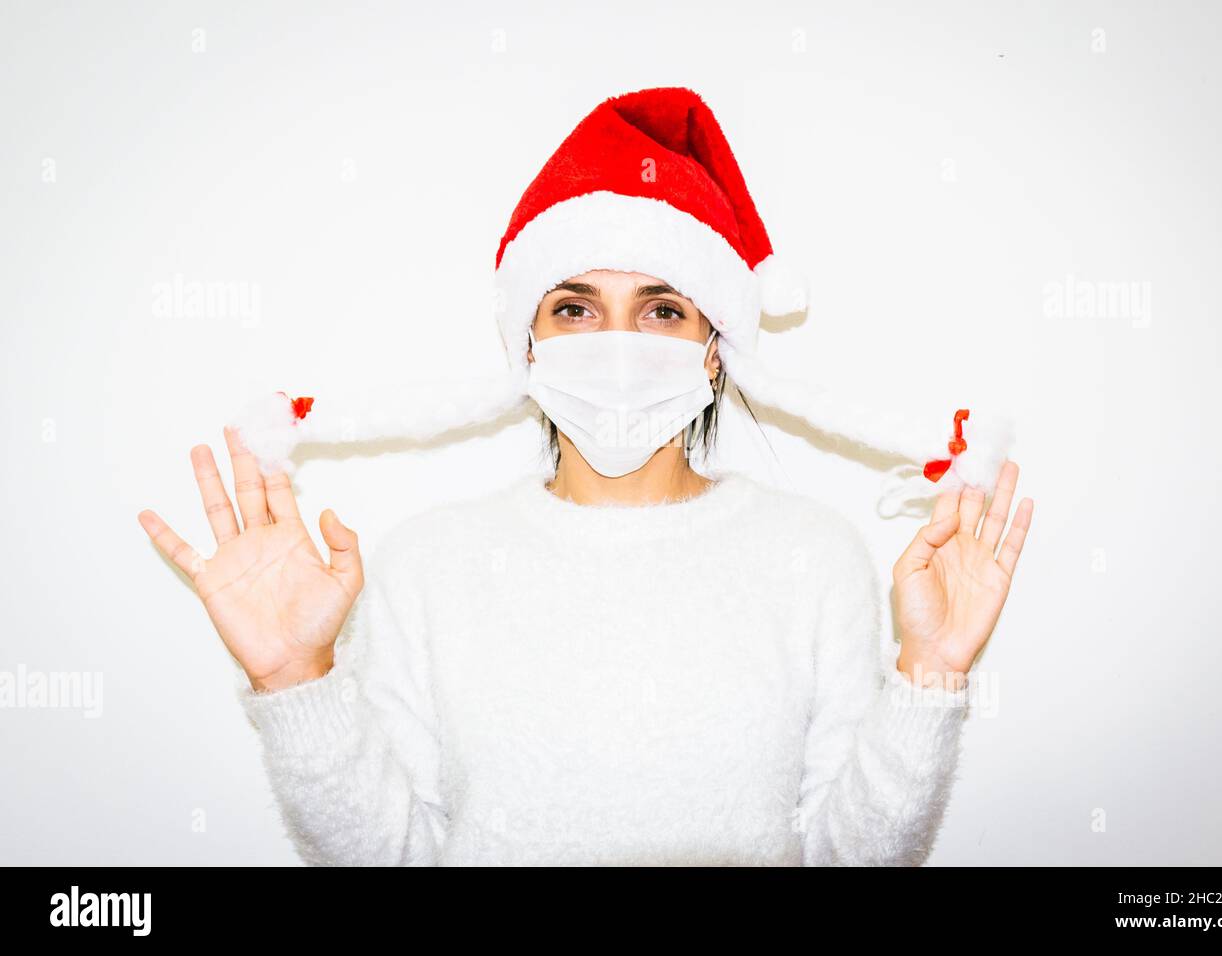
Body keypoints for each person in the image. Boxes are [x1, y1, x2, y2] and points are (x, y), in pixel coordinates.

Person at [137, 87, 1033, 865]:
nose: (616, 345)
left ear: (715, 353)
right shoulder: (426, 565)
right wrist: (298, 679)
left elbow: (848, 860)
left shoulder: (814, 557)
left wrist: (930, 672)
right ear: (527, 347)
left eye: (661, 309)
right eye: (576, 307)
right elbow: (393, 857)